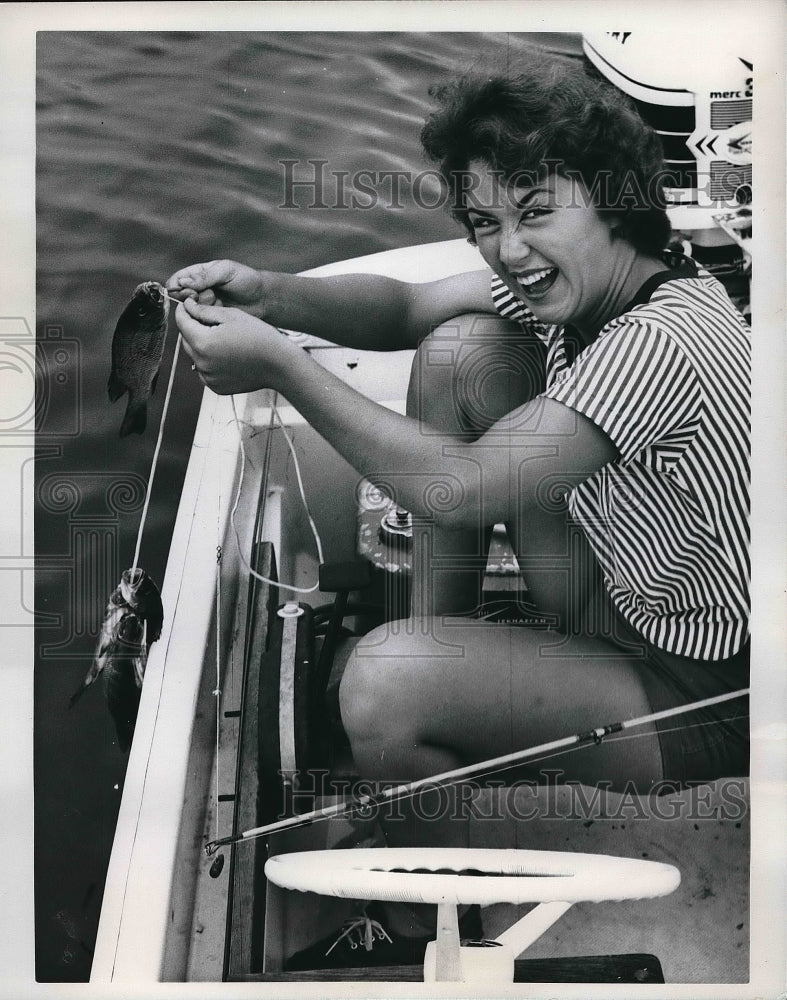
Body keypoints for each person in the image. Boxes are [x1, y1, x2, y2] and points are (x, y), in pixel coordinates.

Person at [168, 61, 750, 968]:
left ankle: (422, 908)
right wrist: (270, 294)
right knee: (462, 352)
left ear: (611, 200)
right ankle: (437, 704)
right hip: (634, 599)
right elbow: (404, 306)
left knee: (377, 684)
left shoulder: (660, 340)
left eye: (534, 210)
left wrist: (279, 364)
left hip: (708, 690)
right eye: (485, 222)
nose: (508, 248)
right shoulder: (606, 285)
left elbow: (465, 489)